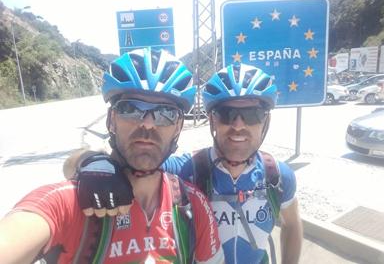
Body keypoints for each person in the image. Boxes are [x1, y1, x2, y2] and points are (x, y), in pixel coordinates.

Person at [0, 48, 224, 264]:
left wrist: (85, 158)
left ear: (178, 127)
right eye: (130, 109)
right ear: (111, 120)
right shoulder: (68, 201)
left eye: (165, 113)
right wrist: (89, 160)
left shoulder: (192, 205)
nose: (147, 124)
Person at [70, 63, 303, 264]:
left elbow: (292, 225)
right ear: (211, 119)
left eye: (252, 114)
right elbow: (79, 166)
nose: (239, 125)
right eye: (226, 114)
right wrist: (94, 162)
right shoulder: (187, 169)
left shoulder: (277, 176)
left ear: (266, 121)